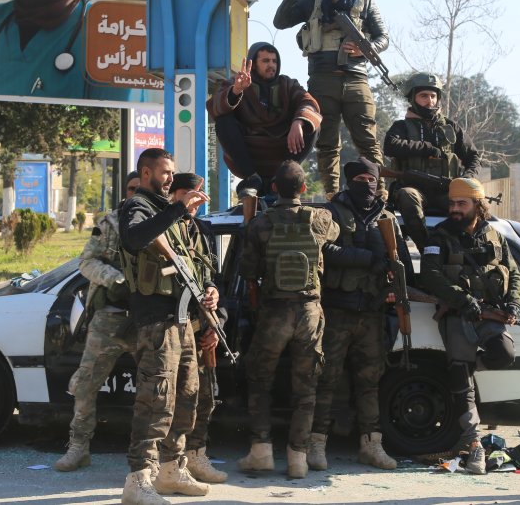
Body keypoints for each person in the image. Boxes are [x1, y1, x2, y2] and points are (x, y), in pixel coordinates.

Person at [118, 148, 217, 505]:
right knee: (155, 400)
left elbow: (198, 266)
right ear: (146, 173)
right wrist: (178, 209)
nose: (170, 179)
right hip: (155, 323)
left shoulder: (171, 216)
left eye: (172, 173)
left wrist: (211, 291)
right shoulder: (137, 207)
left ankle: (172, 469)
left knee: (187, 396)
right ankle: (138, 478)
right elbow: (134, 238)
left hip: (182, 321)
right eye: (165, 173)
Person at [237, 160, 340, 478]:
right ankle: (298, 458)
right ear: (304, 189)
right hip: (309, 313)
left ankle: (261, 452)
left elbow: (247, 272)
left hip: (274, 313)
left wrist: (250, 223)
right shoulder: (320, 219)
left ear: (273, 189)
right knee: (306, 389)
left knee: (259, 381)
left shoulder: (261, 224)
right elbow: (337, 232)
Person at [418, 177, 520, 476]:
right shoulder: (439, 236)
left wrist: (513, 303)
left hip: (490, 316)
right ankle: (472, 441)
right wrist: (462, 300)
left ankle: (461, 373)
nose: (454, 209)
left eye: (461, 203)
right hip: (458, 316)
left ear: (478, 205)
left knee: (504, 354)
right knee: (461, 374)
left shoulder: (495, 235)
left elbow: (513, 272)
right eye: (452, 203)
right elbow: (431, 275)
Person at [309, 158, 407, 472]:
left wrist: (394, 280)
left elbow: (400, 261)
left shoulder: (389, 219)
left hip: (372, 314)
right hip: (337, 310)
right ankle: (316, 445)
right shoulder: (332, 213)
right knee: (326, 380)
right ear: (350, 181)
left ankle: (371, 445)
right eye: (361, 178)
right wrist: (367, 259)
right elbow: (322, 251)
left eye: (372, 179)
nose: (368, 184)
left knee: (370, 383)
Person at [273, 0, 388, 198]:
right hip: (322, 78)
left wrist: (364, 48)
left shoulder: (365, 2)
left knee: (367, 140)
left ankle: (379, 193)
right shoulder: (312, 1)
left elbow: (383, 38)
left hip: (356, 78)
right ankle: (332, 194)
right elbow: (280, 22)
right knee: (326, 142)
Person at [53, 170, 140, 472]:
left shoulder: (162, 221)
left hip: (149, 318)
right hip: (109, 317)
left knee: (159, 387)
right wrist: (116, 279)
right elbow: (87, 262)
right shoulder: (110, 223)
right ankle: (78, 447)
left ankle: (153, 457)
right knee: (86, 383)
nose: (135, 194)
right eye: (131, 189)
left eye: (140, 189)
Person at [168, 172, 228, 484]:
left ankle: (196, 455)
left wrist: (216, 313)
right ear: (174, 195)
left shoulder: (200, 231)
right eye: (188, 195)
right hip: (170, 328)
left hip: (199, 323)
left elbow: (212, 281)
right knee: (172, 401)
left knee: (204, 398)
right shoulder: (164, 228)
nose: (195, 202)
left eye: (198, 197)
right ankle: (170, 463)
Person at [206, 41, 321, 193]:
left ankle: (282, 177)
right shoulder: (237, 82)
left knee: (312, 123)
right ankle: (252, 178)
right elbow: (214, 106)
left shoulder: (288, 84)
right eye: (265, 61)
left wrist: (299, 122)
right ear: (253, 64)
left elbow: (309, 102)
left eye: (274, 61)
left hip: (282, 150)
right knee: (223, 121)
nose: (271, 65)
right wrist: (236, 91)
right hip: (249, 153)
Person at [384, 72, 480, 249]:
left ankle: (468, 250)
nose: (430, 101)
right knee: (407, 195)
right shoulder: (401, 127)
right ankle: (428, 248)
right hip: (416, 190)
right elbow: (390, 146)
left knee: (475, 206)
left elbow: (473, 156)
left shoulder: (451, 127)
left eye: (433, 96)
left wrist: (466, 180)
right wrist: (426, 148)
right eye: (423, 96)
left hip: (446, 192)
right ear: (413, 98)